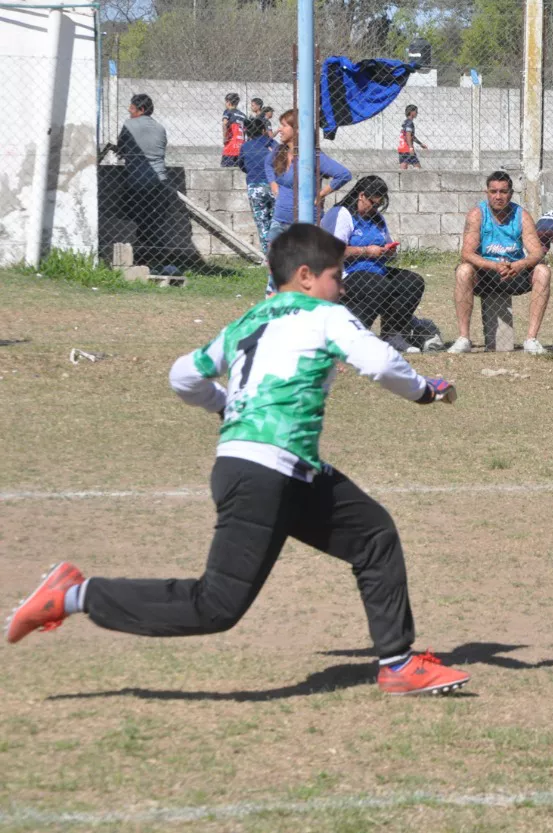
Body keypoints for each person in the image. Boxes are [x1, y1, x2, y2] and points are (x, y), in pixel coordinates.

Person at [4, 224, 471, 698]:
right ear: (307, 276)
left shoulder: (249, 321)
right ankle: (72, 595)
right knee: (216, 606)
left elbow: (183, 375)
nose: (344, 286)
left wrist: (225, 405)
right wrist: (423, 391)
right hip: (264, 472)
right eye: (338, 275)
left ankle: (397, 662)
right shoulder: (325, 314)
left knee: (372, 533)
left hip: (275, 467)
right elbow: (379, 363)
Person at [320, 175, 443, 353]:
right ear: (361, 195)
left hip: (376, 270)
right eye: (373, 203)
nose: (375, 208)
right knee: (378, 285)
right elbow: (333, 251)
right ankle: (354, 337)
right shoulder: (341, 214)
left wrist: (388, 251)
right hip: (344, 274)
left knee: (412, 282)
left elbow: (385, 243)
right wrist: (366, 251)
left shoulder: (376, 219)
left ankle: (393, 335)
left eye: (378, 205)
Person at [447, 171, 552, 356]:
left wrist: (519, 265)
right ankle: (463, 338)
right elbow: (467, 254)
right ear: (486, 192)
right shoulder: (477, 214)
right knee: (463, 270)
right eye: (493, 191)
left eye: (503, 192)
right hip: (485, 274)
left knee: (543, 271)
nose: (498, 196)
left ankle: (531, 340)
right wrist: (494, 266)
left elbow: (537, 253)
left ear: (511, 193)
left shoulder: (521, 215)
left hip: (514, 272)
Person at [264, 109, 352, 290]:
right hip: (279, 221)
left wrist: (320, 194)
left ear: (297, 130)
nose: (279, 130)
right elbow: (266, 164)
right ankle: (275, 307)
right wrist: (273, 183)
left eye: (284, 126)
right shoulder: (278, 153)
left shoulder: (312, 156)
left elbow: (343, 174)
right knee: (274, 271)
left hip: (303, 224)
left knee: (300, 271)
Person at [100, 93, 170, 267]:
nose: (129, 112)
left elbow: (122, 148)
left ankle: (143, 258)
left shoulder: (129, 125)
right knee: (152, 221)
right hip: (160, 182)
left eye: (132, 108)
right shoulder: (160, 128)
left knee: (139, 219)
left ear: (141, 109)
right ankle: (154, 257)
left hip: (137, 182)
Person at [237, 117, 275, 254]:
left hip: (255, 187)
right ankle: (280, 253)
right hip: (274, 186)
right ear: (263, 130)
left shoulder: (246, 146)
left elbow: (241, 164)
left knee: (262, 222)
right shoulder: (272, 144)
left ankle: (267, 255)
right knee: (276, 220)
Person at [221, 93, 246, 168]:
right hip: (241, 148)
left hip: (230, 147)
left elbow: (224, 124)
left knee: (226, 172)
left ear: (228, 102)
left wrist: (225, 138)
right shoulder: (243, 115)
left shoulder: (228, 111)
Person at [398, 105, 427, 169]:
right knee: (418, 168)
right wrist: (411, 148)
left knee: (403, 169)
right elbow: (408, 135)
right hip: (407, 149)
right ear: (412, 112)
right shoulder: (410, 123)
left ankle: (401, 179)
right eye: (416, 111)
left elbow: (411, 136)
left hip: (401, 148)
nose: (417, 113)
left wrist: (420, 144)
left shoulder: (405, 122)